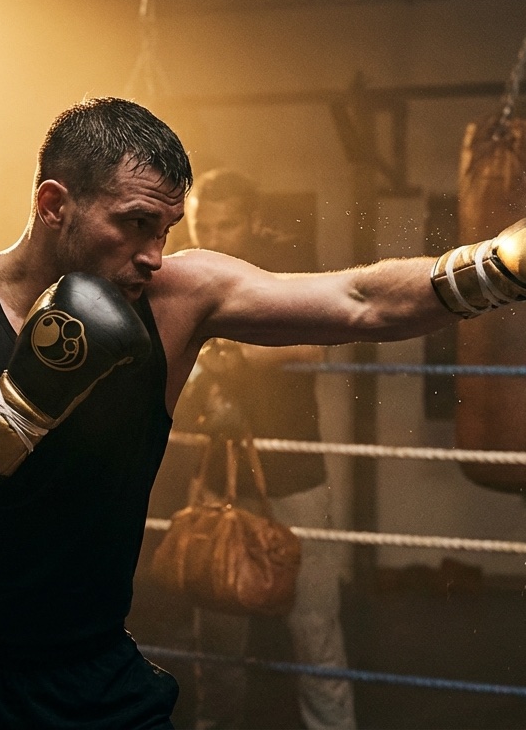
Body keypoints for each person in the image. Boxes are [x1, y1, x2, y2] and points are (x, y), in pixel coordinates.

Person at [0, 96, 526, 728]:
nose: (152, 254)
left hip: (88, 675)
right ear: (53, 205)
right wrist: (22, 403)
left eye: (165, 229)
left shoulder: (176, 296)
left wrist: (497, 267)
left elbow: (358, 300)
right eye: (133, 223)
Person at [173, 169, 356, 730]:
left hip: (294, 470)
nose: (211, 236)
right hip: (218, 468)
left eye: (226, 225)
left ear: (252, 221)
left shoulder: (285, 260)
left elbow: (317, 343)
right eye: (203, 224)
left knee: (314, 626)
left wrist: (233, 353)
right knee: (216, 627)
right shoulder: (186, 268)